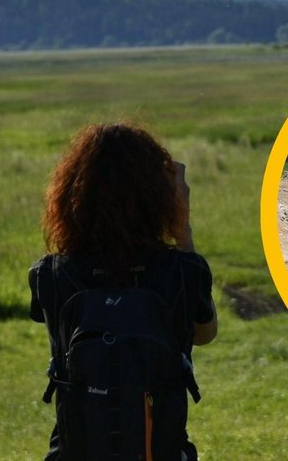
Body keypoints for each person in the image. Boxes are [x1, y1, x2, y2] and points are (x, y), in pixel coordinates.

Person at [28, 123, 217, 460]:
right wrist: (182, 227)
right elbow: (204, 334)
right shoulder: (181, 271)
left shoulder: (51, 275)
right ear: (158, 196)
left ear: (72, 195)